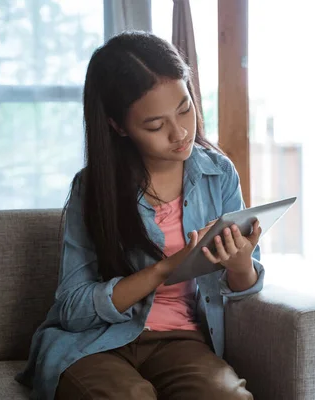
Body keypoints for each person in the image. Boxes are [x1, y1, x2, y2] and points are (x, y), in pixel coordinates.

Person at [16, 31, 264, 400]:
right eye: (154, 125)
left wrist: (241, 264)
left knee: (226, 396)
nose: (180, 132)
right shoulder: (94, 189)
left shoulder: (219, 173)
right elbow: (72, 308)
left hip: (180, 340)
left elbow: (243, 288)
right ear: (118, 126)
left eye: (185, 108)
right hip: (94, 342)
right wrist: (165, 269)